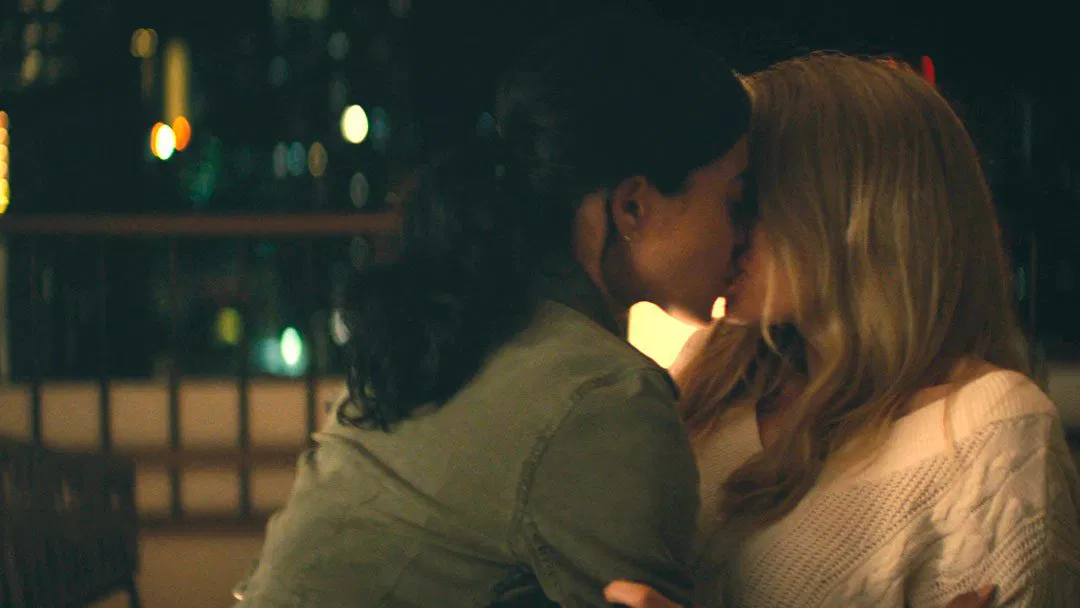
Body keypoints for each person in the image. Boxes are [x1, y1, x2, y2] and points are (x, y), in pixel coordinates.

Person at [232, 13, 750, 607]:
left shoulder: (462, 313)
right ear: (632, 206)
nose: (745, 236)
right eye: (735, 202)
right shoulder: (604, 397)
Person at [606, 54, 1080, 607]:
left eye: (743, 201)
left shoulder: (989, 431)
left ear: (843, 210)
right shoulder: (716, 373)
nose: (721, 231)